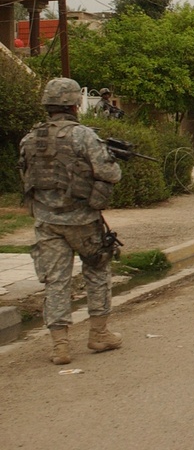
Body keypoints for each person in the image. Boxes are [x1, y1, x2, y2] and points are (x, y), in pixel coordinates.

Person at [18, 78, 123, 365]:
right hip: (83, 221)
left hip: (46, 222)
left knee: (55, 281)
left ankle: (60, 346)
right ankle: (99, 335)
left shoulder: (30, 139)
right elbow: (110, 174)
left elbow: (26, 179)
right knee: (97, 271)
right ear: (75, 104)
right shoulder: (83, 136)